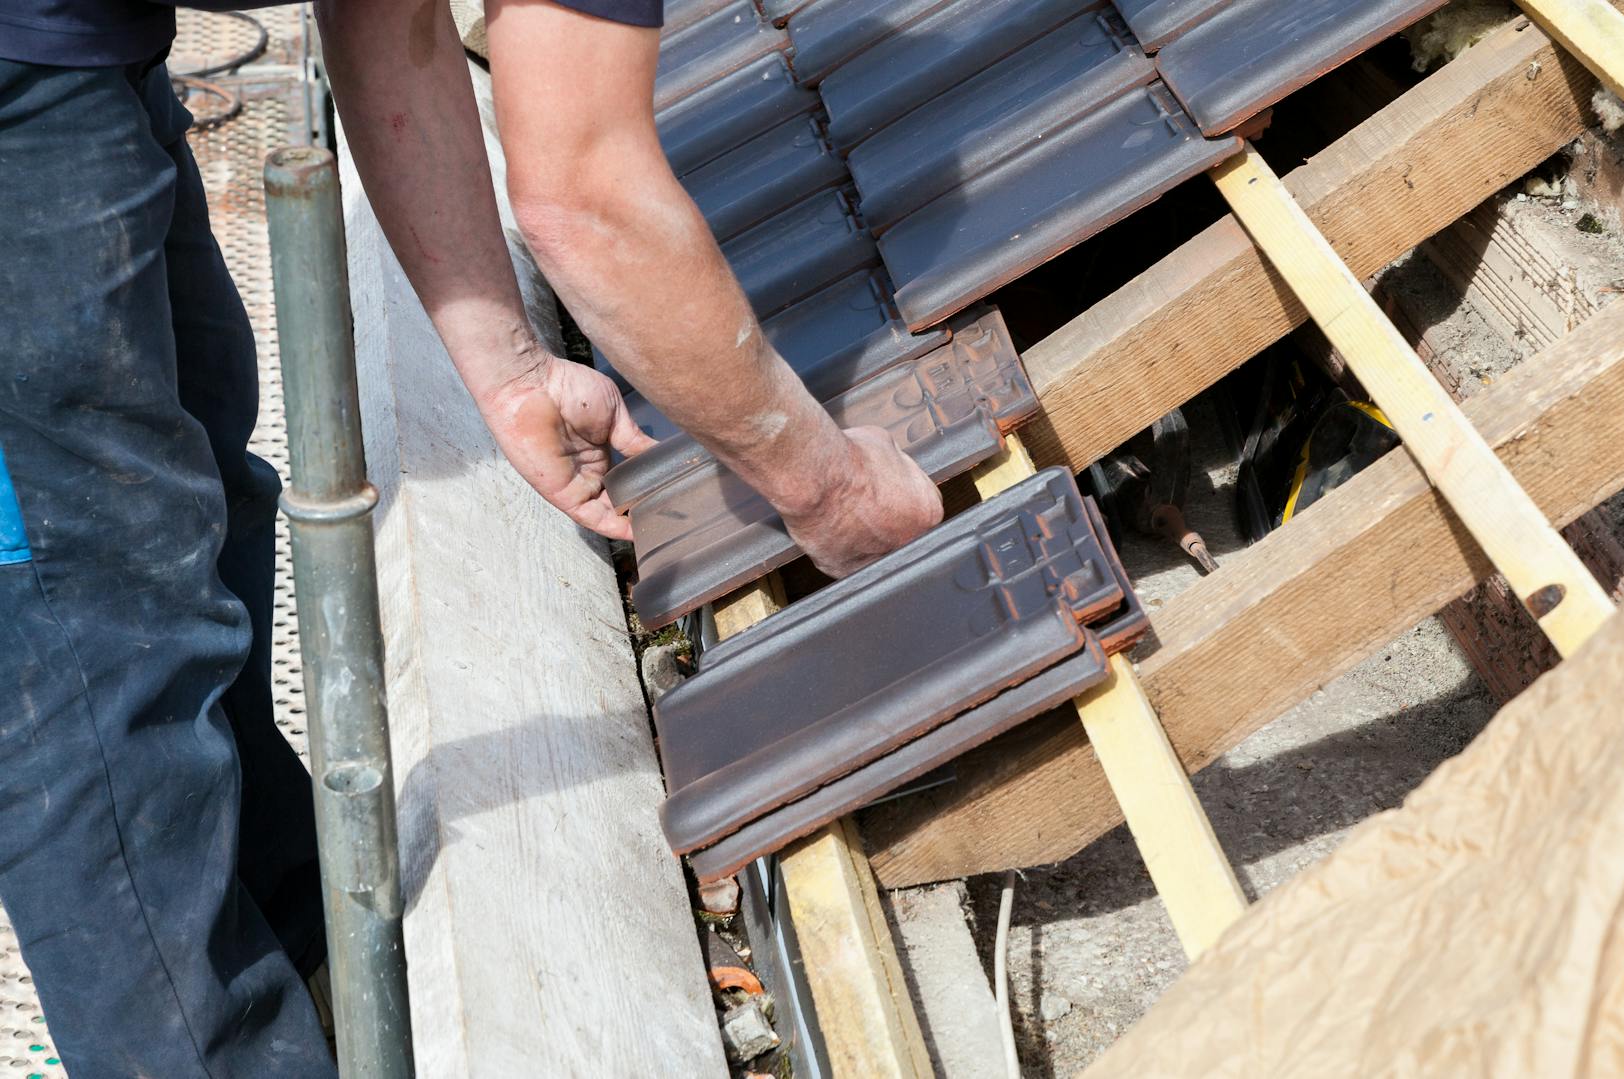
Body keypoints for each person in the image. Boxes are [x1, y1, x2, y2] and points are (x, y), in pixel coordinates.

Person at [0, 0, 942, 1072]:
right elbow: (585, 200)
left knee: (194, 506)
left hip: (74, 49)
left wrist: (515, 368)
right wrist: (827, 489)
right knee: (87, 643)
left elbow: (387, 22)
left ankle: (308, 965)